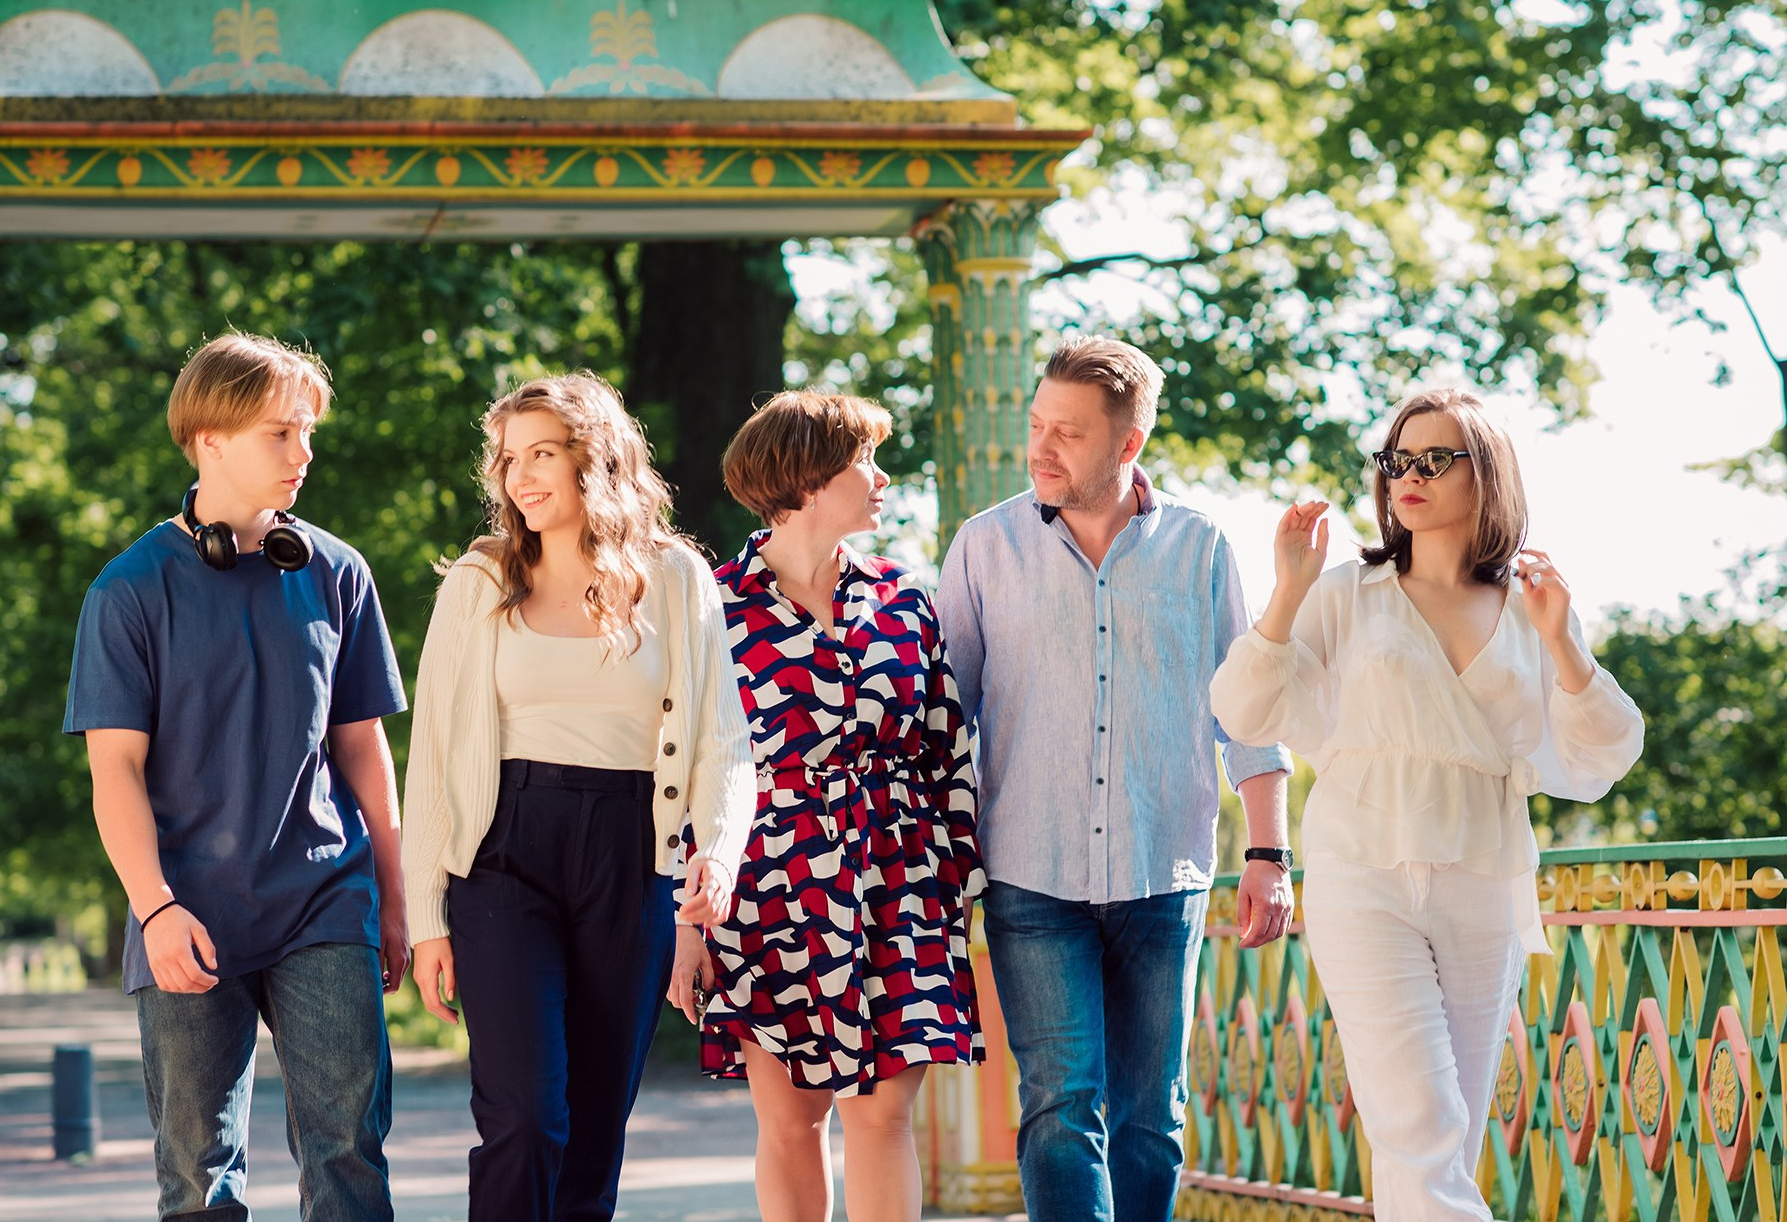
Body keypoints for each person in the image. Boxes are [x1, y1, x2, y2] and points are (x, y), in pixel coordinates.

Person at [1209, 388, 1643, 1219]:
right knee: (1422, 1120)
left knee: (1448, 1138)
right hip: (1361, 874)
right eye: (1398, 458)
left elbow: (1606, 749)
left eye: (1435, 458)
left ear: (1486, 479)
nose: (1409, 474)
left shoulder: (1528, 608)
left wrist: (1565, 642)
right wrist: (1286, 593)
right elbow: (1242, 708)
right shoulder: (1346, 592)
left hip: (1486, 879)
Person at [935, 335, 1295, 1222]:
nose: (1041, 448)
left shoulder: (1201, 547)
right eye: (1036, 425)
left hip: (1161, 872)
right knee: (1060, 1109)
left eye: (1069, 433)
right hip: (1031, 874)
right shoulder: (985, 548)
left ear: (1128, 443)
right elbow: (943, 718)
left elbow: (1245, 712)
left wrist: (1269, 854)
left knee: (1152, 1121)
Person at [65, 332, 408, 1221]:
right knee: (198, 1177)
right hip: (184, 910)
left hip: (326, 900)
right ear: (209, 438)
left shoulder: (338, 573)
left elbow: (364, 750)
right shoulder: (128, 590)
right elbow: (116, 773)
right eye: (280, 434)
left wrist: (400, 901)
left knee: (349, 1153)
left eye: (307, 434)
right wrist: (155, 907)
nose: (303, 454)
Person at [400, 372, 755, 1222]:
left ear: (595, 459)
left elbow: (723, 742)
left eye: (542, 455)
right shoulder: (480, 582)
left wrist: (719, 856)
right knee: (525, 1114)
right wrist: (426, 918)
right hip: (502, 851)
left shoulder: (675, 578)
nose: (520, 477)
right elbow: (434, 756)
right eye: (509, 459)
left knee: (596, 1126)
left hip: (631, 852)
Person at [667, 392, 985, 1222]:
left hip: (899, 882)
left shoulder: (905, 599)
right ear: (805, 480)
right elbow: (676, 770)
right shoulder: (712, 610)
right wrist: (685, 920)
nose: (883, 479)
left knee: (883, 1113)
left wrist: (957, 886)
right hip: (769, 887)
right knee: (792, 1118)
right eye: (864, 463)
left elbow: (946, 747)